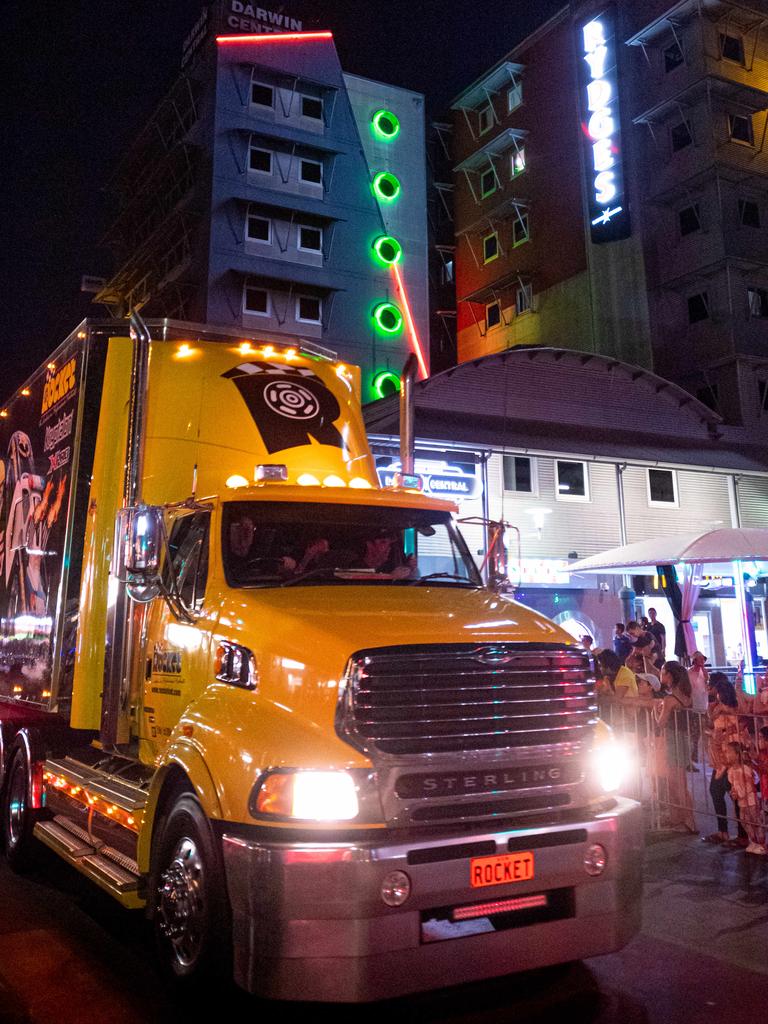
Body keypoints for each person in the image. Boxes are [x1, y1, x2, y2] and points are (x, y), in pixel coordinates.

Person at [654, 661, 697, 833]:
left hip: (674, 739)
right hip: (683, 739)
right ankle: (680, 818)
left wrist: (655, 711)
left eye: (663, 672)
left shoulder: (670, 699)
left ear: (670, 675)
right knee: (678, 782)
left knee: (677, 783)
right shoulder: (686, 696)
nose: (661, 674)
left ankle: (689, 821)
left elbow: (661, 722)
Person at [703, 676, 739, 844]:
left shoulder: (735, 708)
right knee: (716, 791)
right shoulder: (716, 708)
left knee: (735, 794)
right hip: (720, 757)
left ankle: (743, 835)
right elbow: (710, 725)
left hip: (731, 756)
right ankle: (723, 831)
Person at [725, 742, 765, 854]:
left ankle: (761, 844)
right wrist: (734, 793)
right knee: (745, 821)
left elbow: (750, 785)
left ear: (737, 755)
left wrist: (740, 793)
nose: (726, 755)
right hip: (741, 802)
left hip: (750, 801)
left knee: (755, 821)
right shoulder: (731, 771)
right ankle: (753, 841)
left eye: (729, 752)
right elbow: (733, 785)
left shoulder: (745, 769)